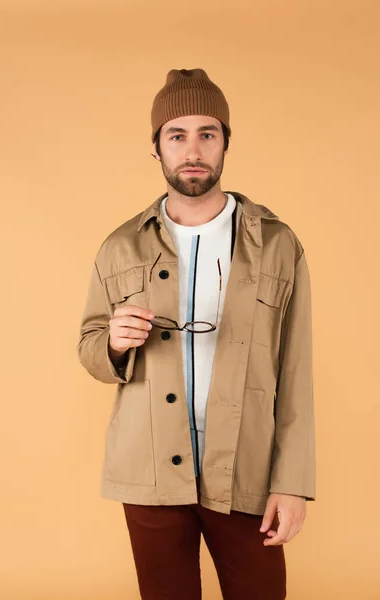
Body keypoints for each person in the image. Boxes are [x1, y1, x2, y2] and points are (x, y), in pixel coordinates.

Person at [77, 68, 316, 600]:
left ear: (226, 142)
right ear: (156, 147)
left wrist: (292, 483)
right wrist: (114, 342)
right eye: (176, 135)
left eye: (207, 134)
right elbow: (90, 348)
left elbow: (296, 373)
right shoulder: (121, 246)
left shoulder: (277, 243)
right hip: (149, 469)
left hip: (247, 469)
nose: (193, 150)